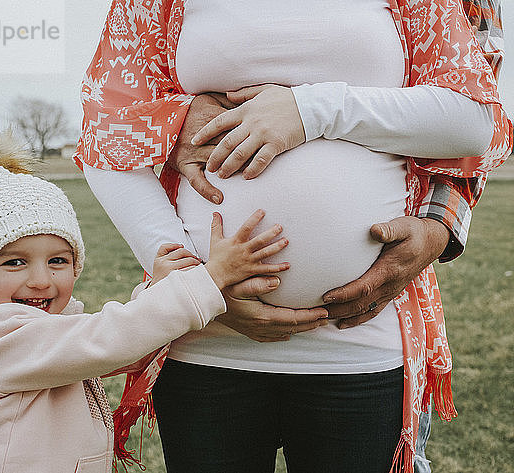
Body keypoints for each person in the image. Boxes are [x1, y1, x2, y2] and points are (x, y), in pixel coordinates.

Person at [75, 1, 511, 472]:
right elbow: (105, 131)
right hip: (207, 340)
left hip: (360, 345)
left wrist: (312, 109)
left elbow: (471, 121)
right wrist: (189, 282)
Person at [0, 123, 294, 473]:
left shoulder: (45, 330)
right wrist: (210, 279)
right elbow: (103, 341)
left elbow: (115, 346)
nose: (40, 280)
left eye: (58, 261)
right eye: (15, 262)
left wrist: (155, 293)